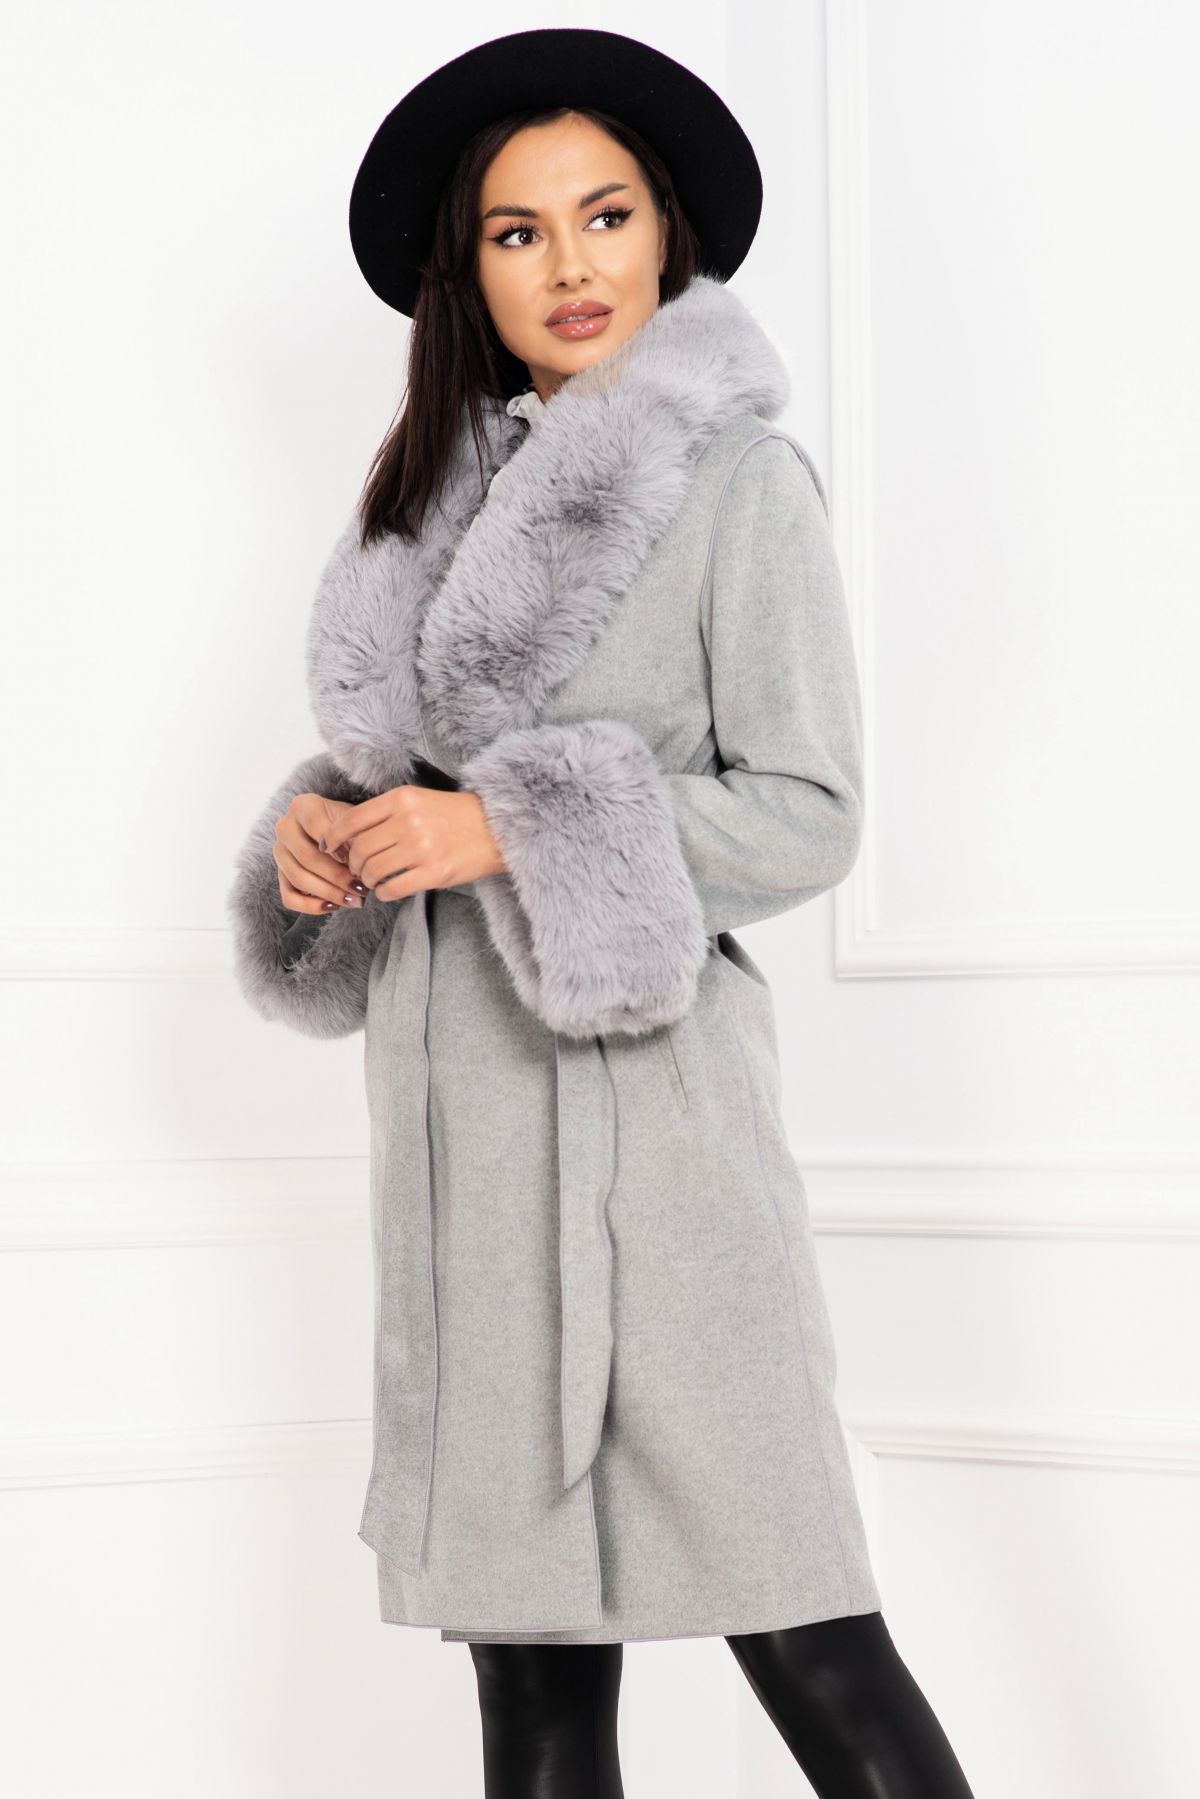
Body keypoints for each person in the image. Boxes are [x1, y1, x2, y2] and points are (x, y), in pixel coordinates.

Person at [227, 27, 978, 1798]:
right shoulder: (426, 500)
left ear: (667, 233)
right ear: (468, 273)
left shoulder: (738, 488)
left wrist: (503, 829)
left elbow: (809, 814)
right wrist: (330, 842)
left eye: (607, 214)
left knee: (808, 1631)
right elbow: (415, 779)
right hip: (466, 1168)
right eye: (519, 231)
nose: (570, 263)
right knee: (533, 1685)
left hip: (661, 1157)